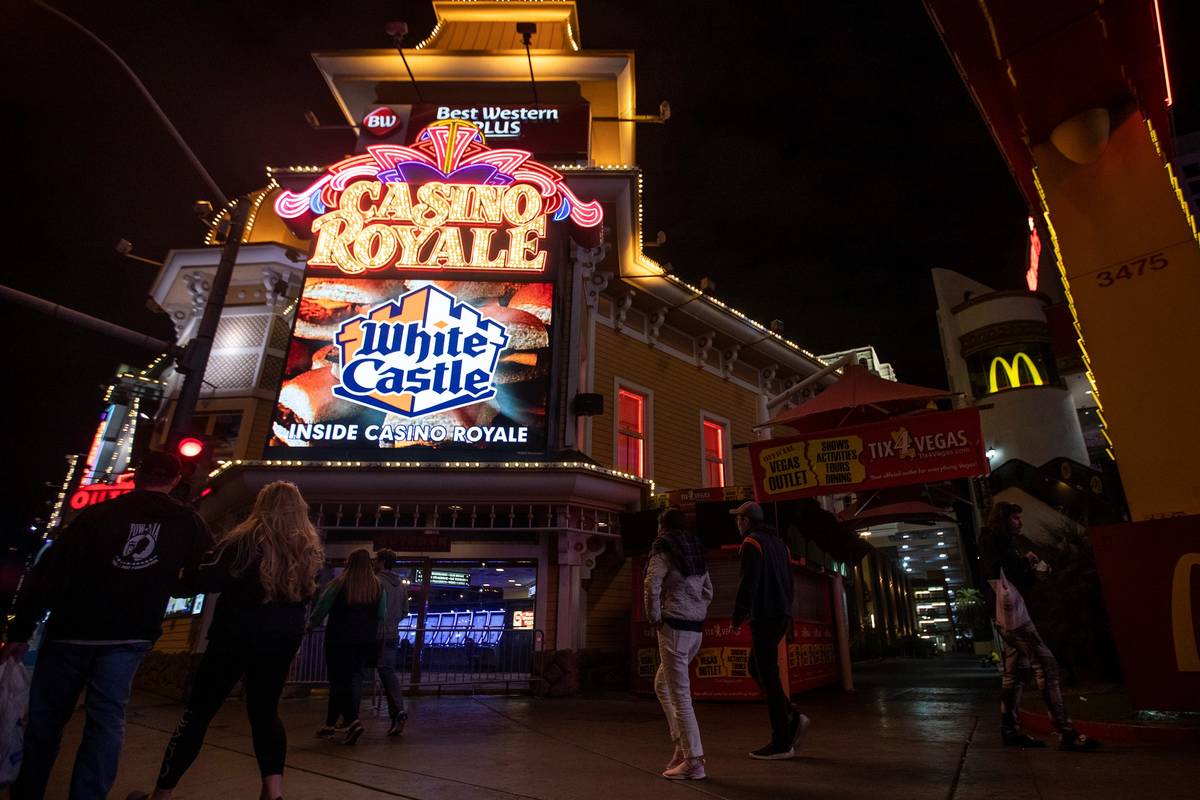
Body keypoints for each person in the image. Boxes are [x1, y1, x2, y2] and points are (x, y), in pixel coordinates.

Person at [0, 451, 211, 800]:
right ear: (175, 480)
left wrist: (22, 629)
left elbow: (49, 575)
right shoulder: (188, 524)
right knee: (106, 720)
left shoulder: (96, 515)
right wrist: (164, 583)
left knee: (47, 721)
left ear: (139, 475)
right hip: (131, 631)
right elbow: (202, 572)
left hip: (73, 630)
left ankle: (29, 791)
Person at [126, 481, 325, 800]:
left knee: (199, 713)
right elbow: (307, 594)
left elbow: (205, 580)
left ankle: (162, 794)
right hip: (281, 639)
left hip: (235, 635)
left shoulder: (242, 541)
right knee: (265, 713)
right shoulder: (307, 548)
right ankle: (273, 792)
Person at [979, 501, 1101, 751]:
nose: (1019, 522)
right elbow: (1007, 573)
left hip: (1008, 615)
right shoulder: (997, 543)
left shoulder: (999, 544)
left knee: (1015, 672)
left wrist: (1024, 563)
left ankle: (1010, 729)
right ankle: (1065, 731)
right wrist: (1029, 565)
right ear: (1003, 520)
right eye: (1014, 518)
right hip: (1014, 617)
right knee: (1045, 664)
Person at [729, 501, 808, 760]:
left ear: (747, 521)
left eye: (738, 518)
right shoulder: (781, 546)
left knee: (769, 676)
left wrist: (738, 615)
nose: (736, 523)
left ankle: (782, 742)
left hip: (764, 615)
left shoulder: (752, 543)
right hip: (781, 615)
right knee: (757, 667)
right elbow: (790, 582)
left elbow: (748, 582)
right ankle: (792, 717)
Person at [644, 508, 713, 781]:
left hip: (673, 627)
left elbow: (652, 584)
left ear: (663, 526)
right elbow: (709, 590)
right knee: (663, 684)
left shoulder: (663, 548)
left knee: (681, 695)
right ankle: (681, 744)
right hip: (696, 629)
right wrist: (697, 610)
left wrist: (655, 618)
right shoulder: (696, 550)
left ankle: (693, 760)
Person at [310, 548, 385, 745]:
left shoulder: (338, 584)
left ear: (348, 563)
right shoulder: (377, 586)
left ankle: (352, 721)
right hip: (365, 640)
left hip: (339, 638)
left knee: (337, 680)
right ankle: (330, 724)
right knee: (354, 678)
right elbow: (381, 614)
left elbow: (322, 608)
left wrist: (311, 624)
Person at [374, 548, 410, 736]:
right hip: (393, 634)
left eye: (376, 560)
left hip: (376, 634)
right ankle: (398, 712)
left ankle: (345, 718)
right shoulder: (401, 585)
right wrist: (393, 622)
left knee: (353, 673)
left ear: (381, 562)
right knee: (388, 673)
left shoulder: (376, 582)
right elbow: (405, 611)